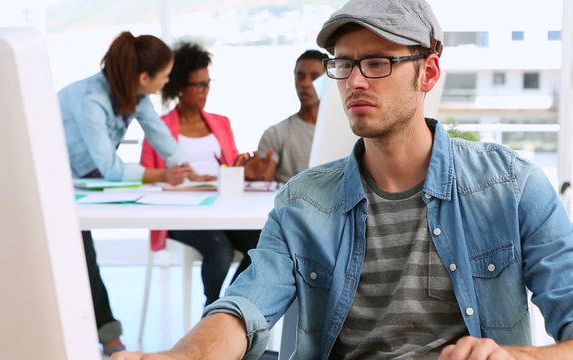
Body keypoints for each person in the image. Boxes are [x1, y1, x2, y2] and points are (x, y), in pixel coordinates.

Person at [112, 0, 573, 359]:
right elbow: (247, 304)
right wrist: (188, 355)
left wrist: (518, 355)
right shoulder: (303, 203)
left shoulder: (512, 188)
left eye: (377, 63)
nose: (354, 81)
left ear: (428, 71)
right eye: (344, 64)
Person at [58, 31, 196, 356]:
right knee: (81, 256)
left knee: (81, 256)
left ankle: (103, 335)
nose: (165, 84)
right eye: (163, 77)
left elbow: (158, 131)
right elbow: (111, 169)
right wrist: (163, 175)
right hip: (54, 183)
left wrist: (186, 169)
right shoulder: (90, 100)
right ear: (144, 77)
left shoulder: (134, 94)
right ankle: (108, 337)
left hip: (83, 186)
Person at [140, 41, 260, 306]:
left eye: (208, 83)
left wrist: (244, 171)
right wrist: (182, 178)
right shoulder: (160, 128)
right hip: (179, 214)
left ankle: (230, 307)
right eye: (199, 84)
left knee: (262, 245)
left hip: (223, 210)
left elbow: (232, 168)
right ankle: (212, 309)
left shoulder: (222, 123)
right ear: (180, 87)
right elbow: (145, 178)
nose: (206, 90)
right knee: (220, 250)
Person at [245, 49, 328, 183]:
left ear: (329, 81)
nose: (305, 84)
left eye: (315, 77)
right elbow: (265, 180)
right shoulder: (276, 133)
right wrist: (256, 175)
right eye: (300, 76)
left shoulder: (346, 132)